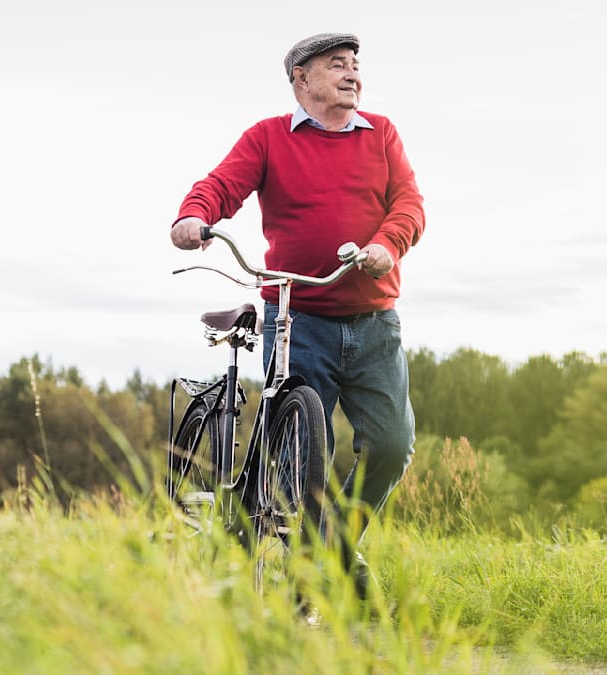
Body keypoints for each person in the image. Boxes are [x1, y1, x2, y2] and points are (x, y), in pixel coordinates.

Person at [169, 32, 424, 594]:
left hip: (374, 322)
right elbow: (221, 185)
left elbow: (409, 203)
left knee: (390, 443)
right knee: (305, 452)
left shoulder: (381, 135)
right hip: (298, 320)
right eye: (338, 65)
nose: (352, 73)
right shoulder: (268, 138)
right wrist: (194, 216)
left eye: (356, 65)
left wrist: (388, 243)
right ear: (302, 79)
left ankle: (334, 548)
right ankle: (317, 568)